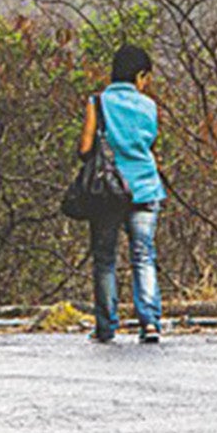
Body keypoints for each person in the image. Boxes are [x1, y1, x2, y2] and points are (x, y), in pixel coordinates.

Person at [79, 44, 166, 344]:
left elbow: (85, 148)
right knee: (143, 256)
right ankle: (150, 323)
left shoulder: (98, 102)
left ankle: (106, 326)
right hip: (145, 187)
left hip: (108, 192)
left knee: (105, 259)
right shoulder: (149, 106)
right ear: (140, 75)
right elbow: (149, 144)